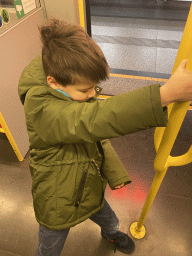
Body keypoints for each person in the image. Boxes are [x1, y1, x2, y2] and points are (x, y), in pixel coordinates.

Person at [18, 18, 192, 256]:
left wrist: (114, 171)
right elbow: (93, 120)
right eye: (85, 90)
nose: (92, 95)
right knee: (50, 244)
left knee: (109, 219)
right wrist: (164, 95)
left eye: (93, 87)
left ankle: (110, 233)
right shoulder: (42, 110)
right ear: (53, 82)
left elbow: (96, 136)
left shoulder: (65, 77)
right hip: (56, 197)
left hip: (86, 182)